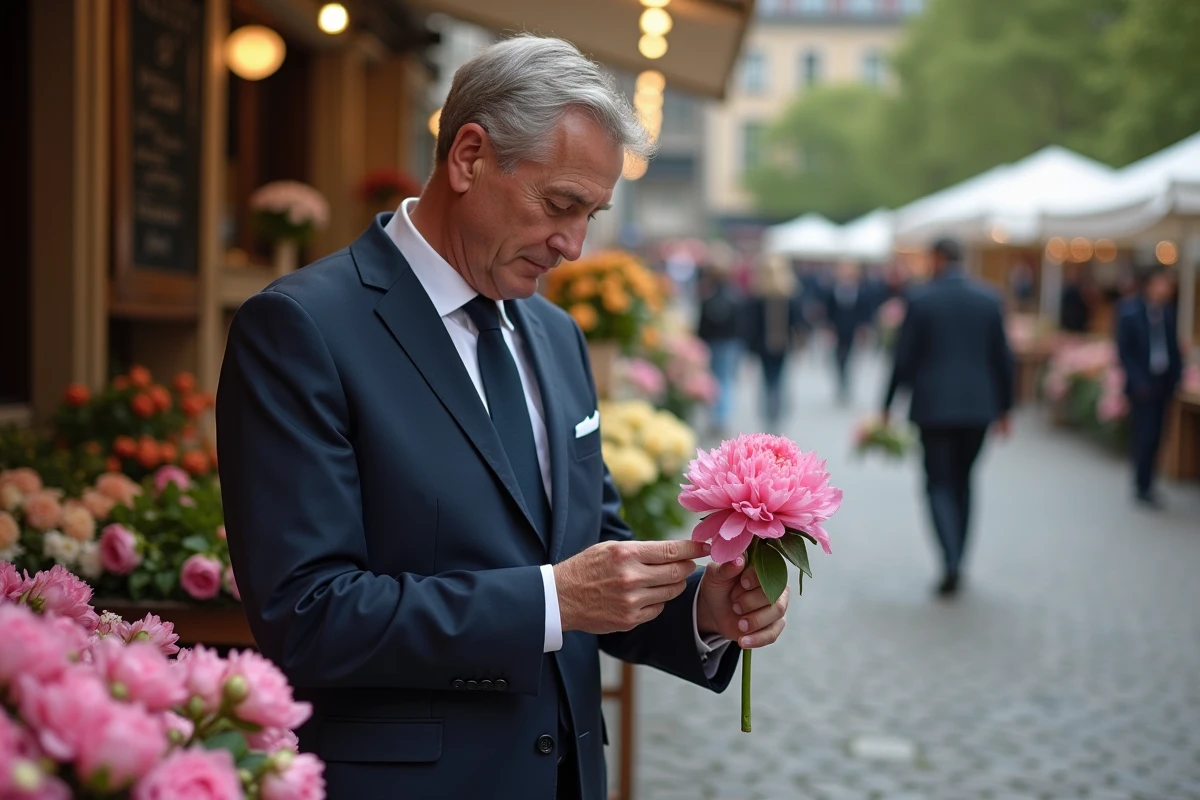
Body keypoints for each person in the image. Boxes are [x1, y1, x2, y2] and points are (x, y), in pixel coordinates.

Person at [216, 36, 790, 800]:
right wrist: (550, 600)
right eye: (559, 205)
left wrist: (701, 610)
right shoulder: (300, 327)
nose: (574, 246)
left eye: (592, 213)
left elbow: (590, 550)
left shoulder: (555, 334)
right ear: (468, 156)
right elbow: (308, 614)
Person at [882, 237, 1013, 597]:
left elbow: (903, 358)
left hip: (934, 408)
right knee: (964, 481)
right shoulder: (989, 298)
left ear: (937, 258)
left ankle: (950, 559)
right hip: (978, 408)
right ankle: (960, 559)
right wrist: (1005, 408)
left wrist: (887, 404)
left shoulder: (922, 299)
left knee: (937, 483)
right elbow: (1002, 357)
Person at [1116, 266, 1183, 508]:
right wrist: (1137, 381)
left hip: (1163, 382)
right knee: (1144, 435)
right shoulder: (1130, 312)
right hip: (1142, 385)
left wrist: (1176, 378)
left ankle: (1150, 482)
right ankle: (1141, 484)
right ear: (1150, 284)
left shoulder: (1168, 313)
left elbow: (1174, 350)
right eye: (1162, 283)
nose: (1166, 288)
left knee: (1158, 435)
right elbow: (1124, 351)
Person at [743, 254, 801, 430]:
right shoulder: (788, 295)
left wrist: (750, 349)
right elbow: (797, 322)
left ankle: (771, 413)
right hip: (781, 345)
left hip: (765, 346)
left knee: (768, 381)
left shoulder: (759, 296)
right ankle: (775, 412)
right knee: (778, 380)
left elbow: (750, 326)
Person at [696, 247, 744, 437]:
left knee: (716, 381)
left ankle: (717, 417)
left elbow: (701, 325)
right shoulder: (736, 296)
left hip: (713, 344)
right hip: (730, 344)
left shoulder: (708, 297)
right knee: (726, 380)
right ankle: (721, 417)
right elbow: (741, 325)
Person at [824, 261, 872, 404]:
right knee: (838, 359)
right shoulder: (832, 291)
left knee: (850, 358)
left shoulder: (861, 291)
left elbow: (865, 312)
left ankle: (846, 383)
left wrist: (864, 330)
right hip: (837, 329)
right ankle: (841, 382)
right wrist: (828, 329)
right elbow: (828, 312)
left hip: (853, 330)